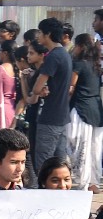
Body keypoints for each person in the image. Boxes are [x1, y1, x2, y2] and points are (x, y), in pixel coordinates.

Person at [27, 17, 72, 169]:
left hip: (49, 118)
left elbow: (36, 89)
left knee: (44, 164)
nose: (38, 36)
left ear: (48, 34)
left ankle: (44, 192)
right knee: (60, 164)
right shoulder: (65, 54)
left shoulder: (52, 56)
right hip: (62, 117)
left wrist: (40, 89)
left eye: (40, 32)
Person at [66, 34, 103, 190]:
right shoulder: (97, 65)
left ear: (80, 46)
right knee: (95, 148)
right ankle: (93, 182)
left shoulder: (78, 64)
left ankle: (84, 181)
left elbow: (70, 88)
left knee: (78, 145)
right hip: (96, 109)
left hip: (81, 109)